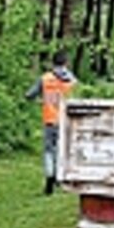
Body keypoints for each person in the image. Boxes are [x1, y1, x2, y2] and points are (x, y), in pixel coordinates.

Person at [25, 50, 77, 195]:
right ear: (66, 63)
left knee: (49, 150)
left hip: (49, 119)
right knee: (63, 150)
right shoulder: (72, 81)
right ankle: (61, 178)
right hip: (66, 120)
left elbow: (29, 95)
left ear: (52, 63)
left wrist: (40, 99)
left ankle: (49, 175)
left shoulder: (45, 78)